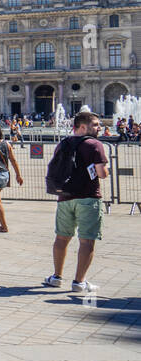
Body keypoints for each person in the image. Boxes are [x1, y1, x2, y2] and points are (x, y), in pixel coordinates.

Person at [44, 111, 109, 294]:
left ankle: (56, 277)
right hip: (88, 197)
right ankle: (79, 282)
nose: (99, 128)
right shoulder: (95, 145)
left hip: (64, 197)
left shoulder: (63, 143)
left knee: (61, 238)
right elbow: (102, 173)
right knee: (87, 240)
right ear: (82, 126)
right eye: (95, 124)